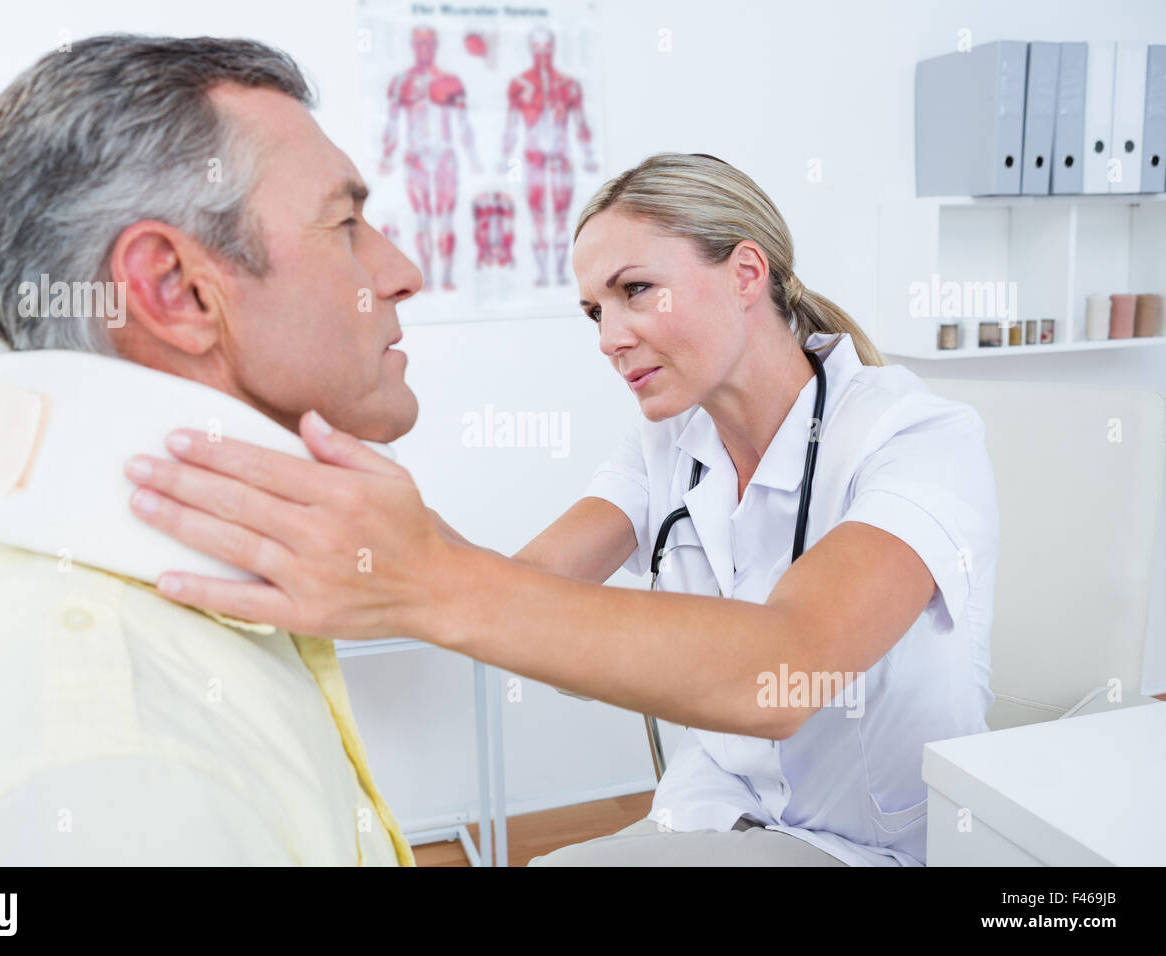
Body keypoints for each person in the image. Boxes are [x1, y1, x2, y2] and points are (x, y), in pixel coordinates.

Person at [123, 153, 1001, 867]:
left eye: (636, 291)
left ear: (745, 272)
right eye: (593, 310)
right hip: (714, 816)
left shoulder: (916, 439)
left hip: (875, 849)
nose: (610, 336)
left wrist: (424, 574)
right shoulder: (666, 445)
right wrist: (367, 527)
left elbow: (785, 675)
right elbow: (526, 584)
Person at [0, 34, 424, 865]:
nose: (402, 269)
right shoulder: (104, 768)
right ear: (175, 290)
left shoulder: (164, 655)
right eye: (345, 223)